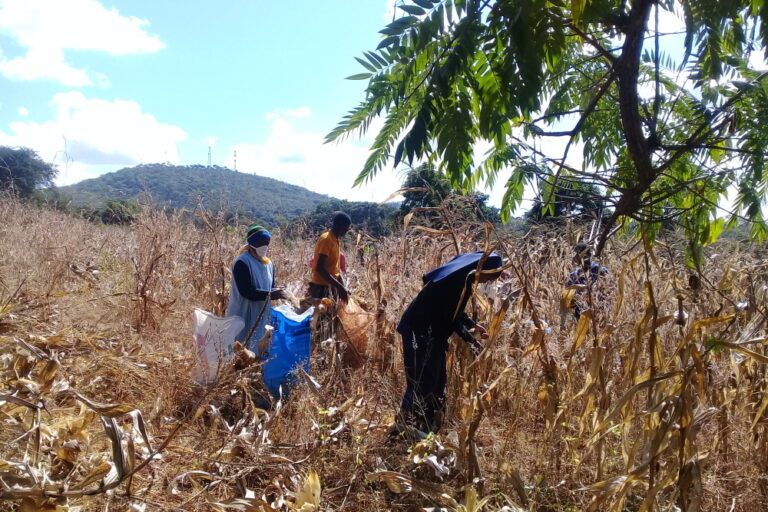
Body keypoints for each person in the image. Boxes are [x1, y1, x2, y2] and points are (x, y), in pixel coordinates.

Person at [394, 251, 505, 435]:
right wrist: (471, 342)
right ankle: (403, 428)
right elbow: (451, 319)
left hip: (432, 334)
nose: (485, 282)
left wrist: (472, 324)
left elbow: (454, 309)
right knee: (421, 381)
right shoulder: (458, 282)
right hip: (418, 332)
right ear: (482, 269)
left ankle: (427, 426)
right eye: (488, 277)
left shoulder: (462, 279)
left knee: (437, 381)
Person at [226, 225, 285, 349]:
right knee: (241, 347)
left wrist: (278, 291)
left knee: (259, 346)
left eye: (267, 242)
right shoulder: (242, 262)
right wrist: (270, 294)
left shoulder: (269, 264)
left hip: (261, 313)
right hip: (243, 313)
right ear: (252, 243)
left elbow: (270, 287)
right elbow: (246, 291)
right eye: (261, 242)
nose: (264, 246)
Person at [308, 211, 351, 303]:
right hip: (321, 288)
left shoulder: (335, 240)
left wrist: (343, 287)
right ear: (340, 225)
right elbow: (320, 268)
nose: (347, 230)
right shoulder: (327, 239)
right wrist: (340, 288)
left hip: (331, 286)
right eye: (347, 227)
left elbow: (335, 269)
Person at [565, 242, 609, 319]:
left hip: (600, 308)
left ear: (589, 255)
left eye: (585, 255)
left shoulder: (600, 270)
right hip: (581, 311)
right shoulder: (573, 276)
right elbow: (568, 298)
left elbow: (609, 289)